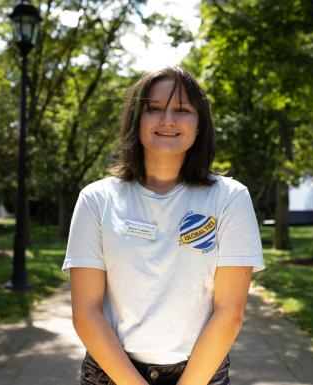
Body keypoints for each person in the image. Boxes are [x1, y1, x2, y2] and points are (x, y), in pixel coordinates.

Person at [62, 66, 265, 385]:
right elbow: (86, 311)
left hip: (200, 375)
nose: (167, 119)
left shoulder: (229, 198)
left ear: (200, 124)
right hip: (110, 374)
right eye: (154, 109)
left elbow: (230, 312)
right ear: (136, 121)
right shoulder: (97, 199)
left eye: (182, 110)